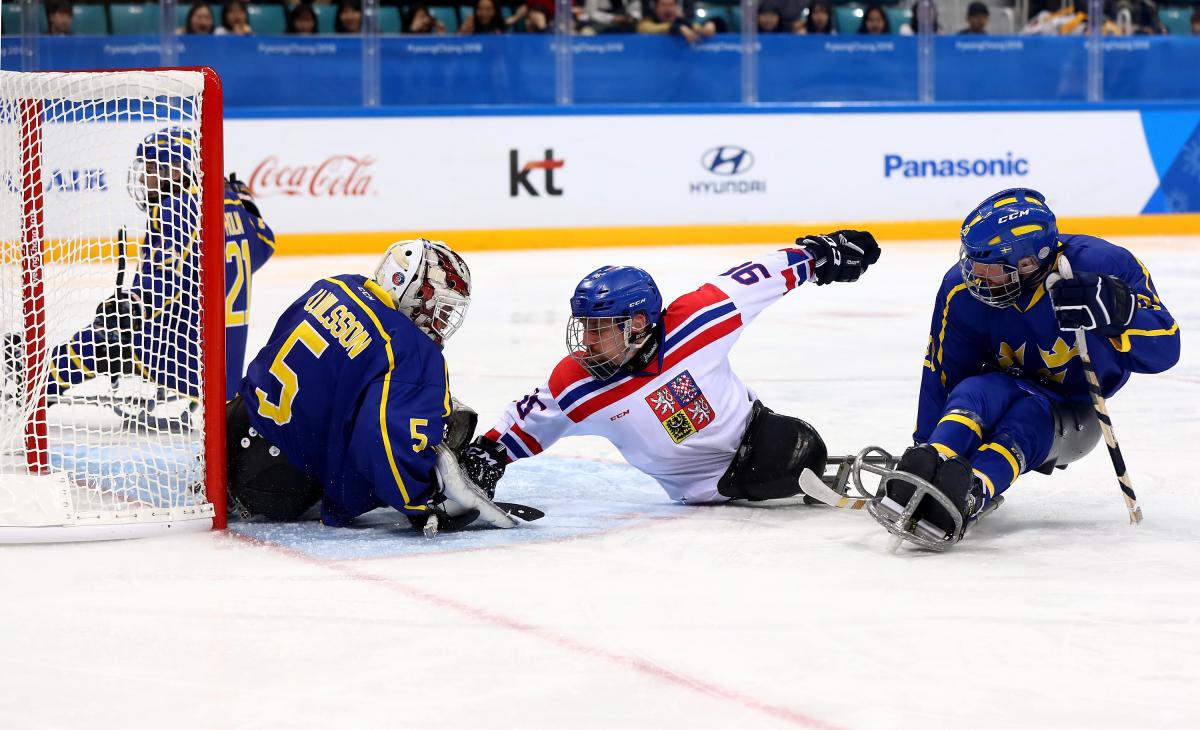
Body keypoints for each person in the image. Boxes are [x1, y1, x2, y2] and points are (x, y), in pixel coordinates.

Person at [460, 232, 881, 507]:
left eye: (600, 329)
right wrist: (487, 456)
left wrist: (820, 253)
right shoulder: (576, 384)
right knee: (789, 454)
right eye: (584, 327)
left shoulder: (698, 319)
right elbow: (527, 421)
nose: (586, 341)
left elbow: (759, 275)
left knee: (792, 445)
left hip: (758, 434)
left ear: (638, 323)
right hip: (704, 492)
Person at [870, 188, 1179, 549]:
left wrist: (1117, 310)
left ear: (1030, 263)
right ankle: (931, 463)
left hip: (1075, 410)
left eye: (990, 268)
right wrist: (924, 444)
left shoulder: (1103, 265)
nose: (975, 276)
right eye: (972, 263)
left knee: (1026, 420)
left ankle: (970, 491)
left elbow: (1165, 350)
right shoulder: (961, 289)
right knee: (972, 393)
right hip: (1003, 385)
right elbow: (944, 372)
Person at [226, 239, 507, 533]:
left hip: (234, 425)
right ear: (406, 287)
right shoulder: (412, 350)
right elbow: (384, 439)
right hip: (281, 484)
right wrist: (421, 498)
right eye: (439, 305)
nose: (443, 319)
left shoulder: (333, 287)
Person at [3, 127, 275, 420]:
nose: (144, 177)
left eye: (153, 168)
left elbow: (162, 282)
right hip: (225, 364)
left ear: (177, 170)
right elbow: (265, 244)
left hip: (182, 355)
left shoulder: (175, 208)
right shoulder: (228, 201)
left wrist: (133, 303)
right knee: (118, 325)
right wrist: (246, 201)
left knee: (106, 336)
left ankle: (35, 385)